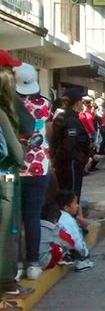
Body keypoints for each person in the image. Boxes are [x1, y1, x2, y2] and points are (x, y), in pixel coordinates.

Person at [13, 63, 54, 280]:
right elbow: (48, 134)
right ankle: (33, 264)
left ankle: (17, 265)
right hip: (39, 168)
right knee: (33, 217)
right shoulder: (46, 105)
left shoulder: (8, 105)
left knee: (15, 219)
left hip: (14, 167)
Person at [0, 64, 34, 301]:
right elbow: (18, 154)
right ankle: (6, 283)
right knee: (8, 230)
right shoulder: (3, 112)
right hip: (5, 177)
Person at [51, 88, 90, 203]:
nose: (81, 104)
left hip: (66, 161)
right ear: (77, 102)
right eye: (81, 101)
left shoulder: (62, 116)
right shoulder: (71, 119)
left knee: (66, 193)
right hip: (71, 162)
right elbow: (69, 144)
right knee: (72, 195)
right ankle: (70, 218)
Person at [56, 190, 94, 272]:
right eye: (75, 203)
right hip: (63, 251)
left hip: (53, 250)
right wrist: (84, 254)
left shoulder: (55, 215)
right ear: (66, 207)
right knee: (79, 243)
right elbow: (76, 240)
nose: (77, 206)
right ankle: (82, 263)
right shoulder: (69, 220)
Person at [39, 203, 75, 270]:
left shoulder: (35, 225)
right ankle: (62, 258)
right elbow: (71, 243)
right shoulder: (53, 229)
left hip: (30, 260)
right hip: (44, 262)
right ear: (55, 220)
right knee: (58, 246)